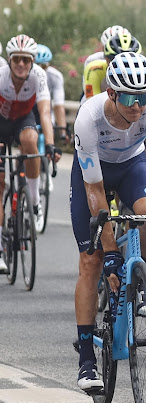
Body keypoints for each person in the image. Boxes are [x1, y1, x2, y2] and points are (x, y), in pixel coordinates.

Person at [71, 52, 146, 391]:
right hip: (93, 175)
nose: (138, 106)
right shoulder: (88, 118)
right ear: (111, 93)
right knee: (91, 261)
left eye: (143, 97)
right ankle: (86, 361)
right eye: (129, 98)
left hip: (132, 164)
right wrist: (109, 249)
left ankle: (141, 279)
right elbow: (95, 192)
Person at [0, 35, 60, 273]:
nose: (21, 64)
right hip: (1, 123)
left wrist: (52, 145)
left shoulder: (39, 76)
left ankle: (34, 201)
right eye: (17, 59)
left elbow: (44, 113)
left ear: (32, 61)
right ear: (9, 59)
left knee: (31, 139)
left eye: (26, 60)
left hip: (22, 120)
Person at [81, 31, 141, 103]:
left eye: (128, 63)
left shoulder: (143, 72)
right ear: (106, 60)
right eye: (117, 63)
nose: (123, 68)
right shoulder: (94, 69)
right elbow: (93, 104)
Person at [35, 44, 69, 142]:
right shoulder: (23, 75)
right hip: (28, 109)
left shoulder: (55, 76)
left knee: (49, 130)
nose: (40, 70)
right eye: (37, 66)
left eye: (44, 66)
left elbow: (58, 105)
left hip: (46, 109)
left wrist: (62, 131)